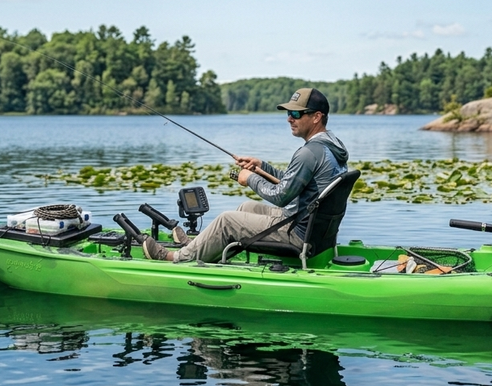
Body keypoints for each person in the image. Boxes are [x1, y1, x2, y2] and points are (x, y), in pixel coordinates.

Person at [142, 87, 348, 264]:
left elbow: (281, 197)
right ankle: (200, 248)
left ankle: (174, 257)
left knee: (227, 220)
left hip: (298, 234)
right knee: (245, 207)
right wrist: (261, 167)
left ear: (316, 117)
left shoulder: (309, 153)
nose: (289, 119)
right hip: (314, 230)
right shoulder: (330, 146)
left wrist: (249, 178)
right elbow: (294, 182)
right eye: (289, 113)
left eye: (296, 114)